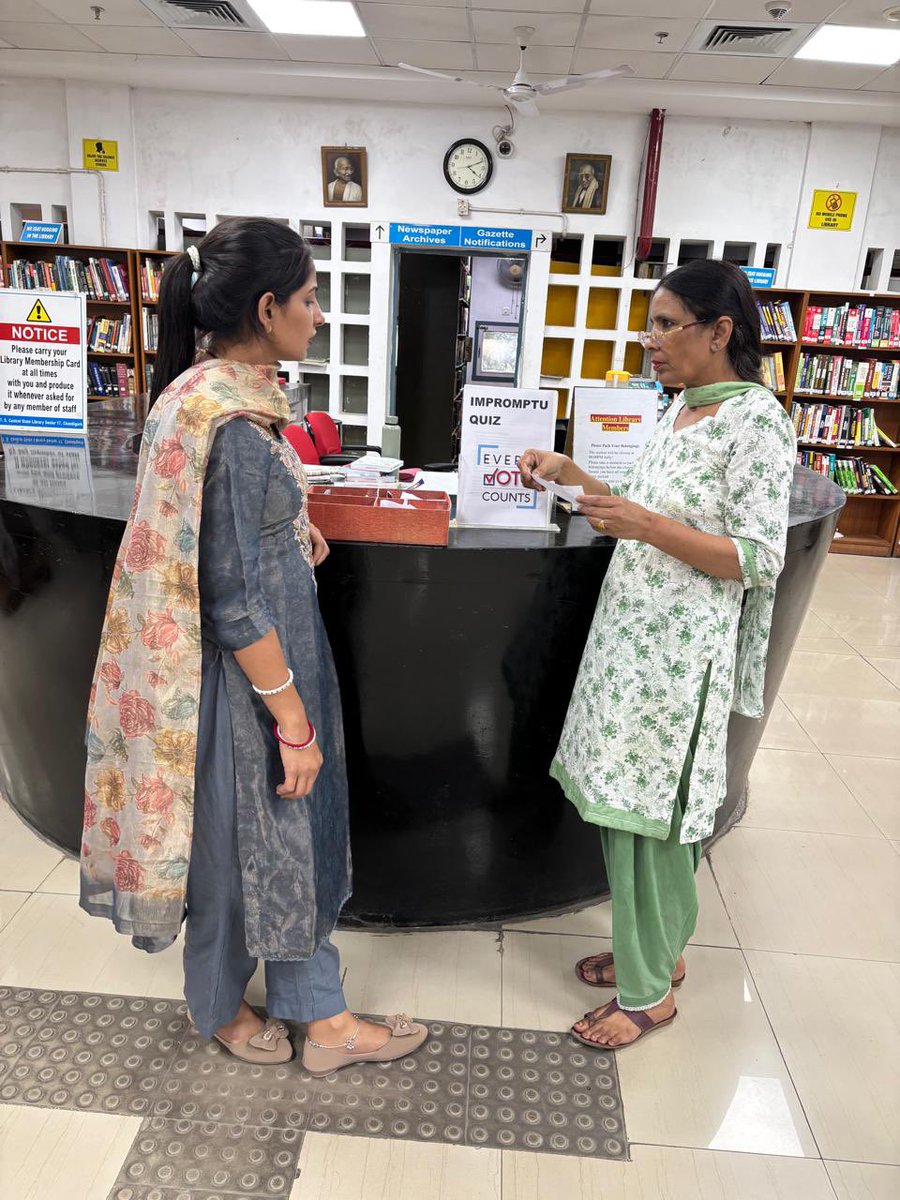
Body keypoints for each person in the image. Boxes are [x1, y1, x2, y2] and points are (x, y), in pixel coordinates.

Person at [80, 218, 426, 1075]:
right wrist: (293, 721)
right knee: (260, 844)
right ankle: (281, 1016)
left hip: (262, 664)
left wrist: (291, 533)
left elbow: (225, 538)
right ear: (268, 309)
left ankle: (286, 1007)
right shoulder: (229, 423)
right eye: (309, 301)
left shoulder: (212, 399)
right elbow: (232, 601)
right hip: (249, 678)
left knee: (265, 841)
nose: (318, 316)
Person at [520, 259, 796, 1050]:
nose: (650, 340)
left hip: (681, 658)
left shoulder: (755, 423)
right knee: (632, 815)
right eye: (652, 322)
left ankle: (648, 996)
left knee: (653, 821)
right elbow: (639, 505)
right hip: (635, 648)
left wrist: (645, 528)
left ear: (720, 332)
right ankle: (660, 954)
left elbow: (755, 557)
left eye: (667, 324)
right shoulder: (681, 411)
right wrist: (569, 474)